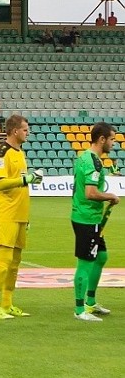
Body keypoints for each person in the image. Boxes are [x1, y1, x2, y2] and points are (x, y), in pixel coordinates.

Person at [0, 114, 41, 319]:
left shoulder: (20, 152)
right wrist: (26, 179)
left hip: (20, 213)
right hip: (6, 212)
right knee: (4, 259)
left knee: (16, 261)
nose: (28, 133)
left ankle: (7, 304)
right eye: (25, 129)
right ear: (14, 130)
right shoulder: (1, 153)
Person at [70, 122, 119, 322]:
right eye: (112, 139)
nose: (114, 143)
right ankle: (80, 309)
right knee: (86, 261)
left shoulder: (84, 157)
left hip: (90, 217)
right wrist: (110, 196)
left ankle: (90, 302)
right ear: (102, 139)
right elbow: (90, 193)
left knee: (101, 257)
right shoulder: (94, 163)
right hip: (86, 218)